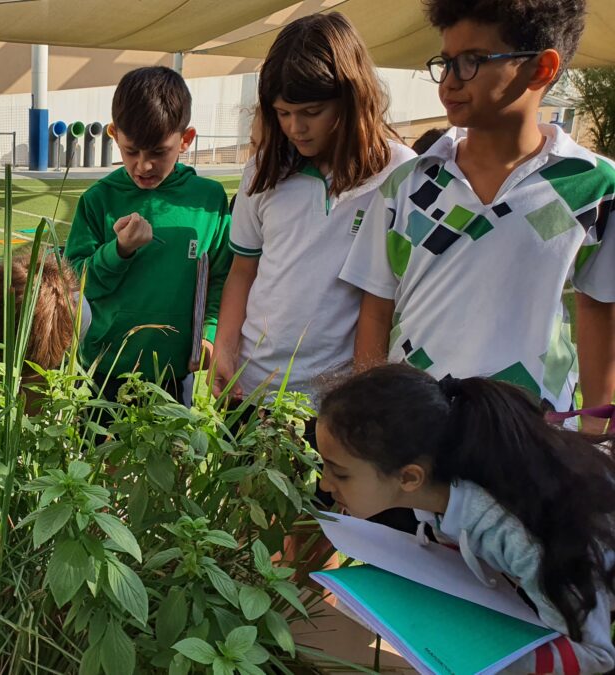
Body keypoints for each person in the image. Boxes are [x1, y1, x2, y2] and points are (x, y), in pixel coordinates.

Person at [341, 0, 614, 433]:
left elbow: (599, 309)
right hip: (416, 427)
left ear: (541, 69)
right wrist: (368, 416)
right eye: (445, 62)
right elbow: (376, 308)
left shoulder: (592, 186)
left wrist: (598, 428)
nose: (448, 82)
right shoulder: (408, 185)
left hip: (534, 432)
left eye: (472, 61)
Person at [317, 363, 615, 674]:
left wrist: (483, 663)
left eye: (340, 472)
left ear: (408, 477)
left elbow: (595, 655)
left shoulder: (520, 535)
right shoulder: (442, 489)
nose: (324, 483)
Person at [210, 12, 415, 405]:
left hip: (334, 400)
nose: (295, 128)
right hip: (251, 388)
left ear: (352, 99)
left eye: (311, 112)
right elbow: (243, 270)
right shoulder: (263, 170)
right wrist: (224, 348)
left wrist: (365, 393)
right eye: (282, 114)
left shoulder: (399, 173)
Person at [63, 66, 232, 402]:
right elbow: (72, 286)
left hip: (173, 371)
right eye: (131, 151)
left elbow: (221, 278)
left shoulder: (209, 201)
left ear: (185, 139)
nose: (143, 166)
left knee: (169, 455)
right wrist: (118, 251)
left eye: (158, 152)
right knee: (99, 454)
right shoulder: (98, 200)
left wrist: (209, 334)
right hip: (103, 366)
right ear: (114, 134)